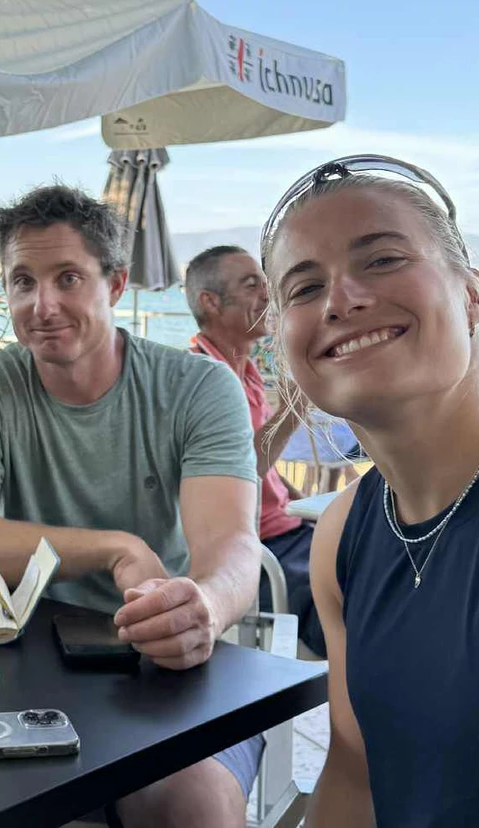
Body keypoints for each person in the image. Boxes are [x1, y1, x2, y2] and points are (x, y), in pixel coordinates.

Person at [0, 185, 263, 828]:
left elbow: (234, 548)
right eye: (22, 281)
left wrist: (205, 610)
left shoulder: (197, 387)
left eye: (67, 278)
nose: (41, 306)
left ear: (117, 284)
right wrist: (117, 548)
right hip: (18, 667)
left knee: (194, 807)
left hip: (162, 670)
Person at [261, 155, 479, 827]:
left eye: (382, 260)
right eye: (304, 288)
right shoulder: (342, 535)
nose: (341, 300)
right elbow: (354, 776)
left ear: (470, 294)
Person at [184, 246, 326, 657]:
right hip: (256, 552)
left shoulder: (243, 370)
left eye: (266, 283)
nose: (268, 294)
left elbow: (259, 472)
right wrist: (295, 407)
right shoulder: (198, 380)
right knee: (358, 601)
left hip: (289, 532)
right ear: (210, 302)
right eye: (251, 285)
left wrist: (295, 499)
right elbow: (240, 470)